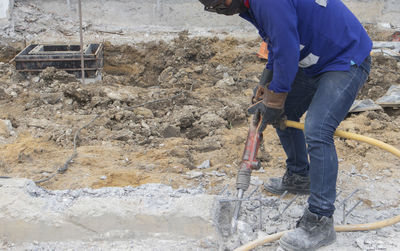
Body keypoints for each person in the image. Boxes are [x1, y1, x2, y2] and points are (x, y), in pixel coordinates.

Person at [198, 0, 372, 250]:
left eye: (218, 2)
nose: (218, 8)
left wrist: (276, 96)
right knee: (285, 114)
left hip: (345, 59)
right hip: (315, 60)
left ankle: (320, 220)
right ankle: (300, 176)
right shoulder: (251, 5)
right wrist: (267, 82)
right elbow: (277, 42)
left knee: (318, 128)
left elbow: (287, 49)